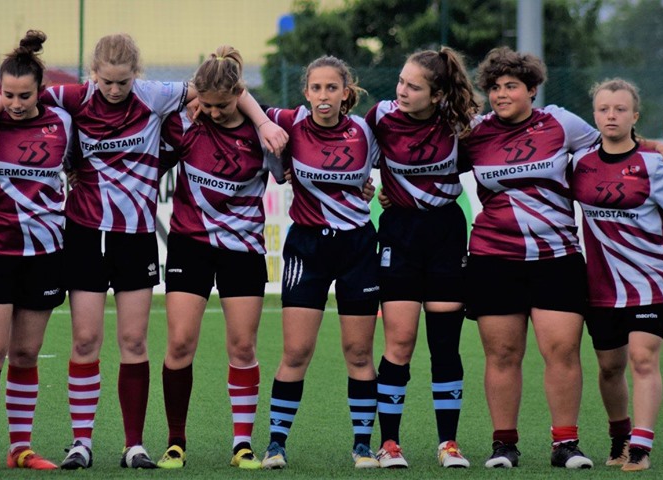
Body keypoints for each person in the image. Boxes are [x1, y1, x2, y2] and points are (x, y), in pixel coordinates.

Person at [0, 32, 286, 470]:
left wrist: (265, 122)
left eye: (123, 82)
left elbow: (223, 83)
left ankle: (133, 445)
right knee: (85, 340)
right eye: (107, 82)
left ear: (137, 76)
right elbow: (16, 93)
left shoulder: (155, 96)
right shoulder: (73, 98)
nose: (115, 90)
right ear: (93, 75)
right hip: (84, 234)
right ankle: (82, 443)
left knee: (134, 340)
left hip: (135, 237)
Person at [461, 47, 663, 470]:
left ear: (532, 90)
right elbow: (433, 169)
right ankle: (504, 445)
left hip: (557, 257)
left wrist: (652, 145)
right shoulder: (476, 133)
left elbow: (614, 143)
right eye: (495, 88)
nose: (502, 95)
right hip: (493, 256)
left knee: (561, 350)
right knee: (502, 354)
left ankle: (566, 444)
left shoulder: (561, 122)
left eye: (511, 87)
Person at [154, 45, 283, 470]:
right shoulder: (186, 124)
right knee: (179, 343)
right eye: (204, 104)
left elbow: (297, 171)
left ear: (238, 96)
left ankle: (242, 444)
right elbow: (144, 159)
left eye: (221, 104)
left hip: (243, 248)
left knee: (242, 345)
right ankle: (176, 442)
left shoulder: (263, 129)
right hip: (190, 244)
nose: (210, 111)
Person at [572, 78, 663, 472]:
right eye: (603, 109)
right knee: (610, 367)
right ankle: (620, 437)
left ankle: (642, 447)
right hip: (599, 286)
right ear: (594, 114)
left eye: (619, 109)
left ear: (635, 116)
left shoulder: (653, 165)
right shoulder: (579, 162)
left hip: (650, 282)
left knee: (644, 360)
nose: (611, 115)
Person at [258, 55, 382, 470]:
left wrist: (378, 190)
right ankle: (275, 444)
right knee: (296, 350)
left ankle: (363, 446)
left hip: (357, 248)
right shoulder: (289, 122)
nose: (324, 96)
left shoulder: (366, 130)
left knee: (359, 352)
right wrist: (262, 125)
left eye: (332, 88)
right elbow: (241, 97)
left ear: (346, 92)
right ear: (305, 92)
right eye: (316, 88)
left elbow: (398, 164)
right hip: (307, 247)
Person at [0, 30, 73, 474]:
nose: (16, 103)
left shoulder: (63, 123)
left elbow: (83, 170)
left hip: (45, 253)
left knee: (26, 354)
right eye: (7, 94)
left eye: (24, 95)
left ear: (40, 92)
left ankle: (20, 448)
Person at [364, 47, 479, 469]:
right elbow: (350, 150)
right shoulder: (380, 117)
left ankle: (448, 444)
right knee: (399, 342)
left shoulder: (459, 126)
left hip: (446, 235)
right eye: (400, 81)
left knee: (445, 346)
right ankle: (389, 444)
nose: (402, 91)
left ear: (437, 95)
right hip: (400, 235)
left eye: (413, 86)